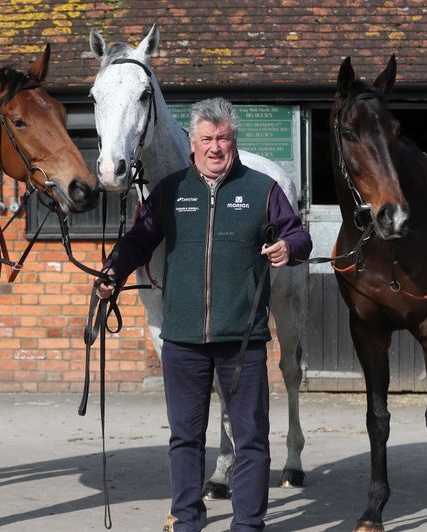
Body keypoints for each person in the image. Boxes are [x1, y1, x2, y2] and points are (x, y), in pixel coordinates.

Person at [96, 97, 312, 531]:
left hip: (244, 340)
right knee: (185, 439)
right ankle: (188, 520)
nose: (215, 147)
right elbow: (139, 240)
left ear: (234, 141)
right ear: (192, 143)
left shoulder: (261, 189)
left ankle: (248, 524)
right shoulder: (170, 192)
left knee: (251, 441)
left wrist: (290, 247)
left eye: (224, 138)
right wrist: (112, 273)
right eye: (207, 139)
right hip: (183, 340)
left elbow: (298, 234)